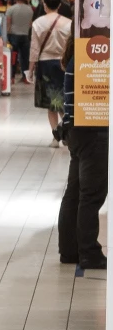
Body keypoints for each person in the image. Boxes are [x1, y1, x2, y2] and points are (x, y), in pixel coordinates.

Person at [59, 35, 108, 269]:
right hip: (93, 130)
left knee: (76, 191)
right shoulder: (89, 57)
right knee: (91, 193)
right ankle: (89, 251)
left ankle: (70, 249)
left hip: (78, 130)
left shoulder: (76, 57)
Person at [31, 0, 74, 147]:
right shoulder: (69, 23)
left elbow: (34, 49)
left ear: (44, 4)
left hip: (45, 64)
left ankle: (56, 137)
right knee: (65, 100)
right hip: (64, 64)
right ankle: (68, 135)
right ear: (60, 4)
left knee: (52, 103)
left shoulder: (38, 23)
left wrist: (30, 69)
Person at [6, 0, 34, 83]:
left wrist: (7, 33)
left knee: (13, 57)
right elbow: (30, 24)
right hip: (25, 35)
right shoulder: (30, 10)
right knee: (25, 57)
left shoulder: (11, 9)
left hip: (14, 36)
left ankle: (12, 77)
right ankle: (26, 78)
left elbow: (8, 23)